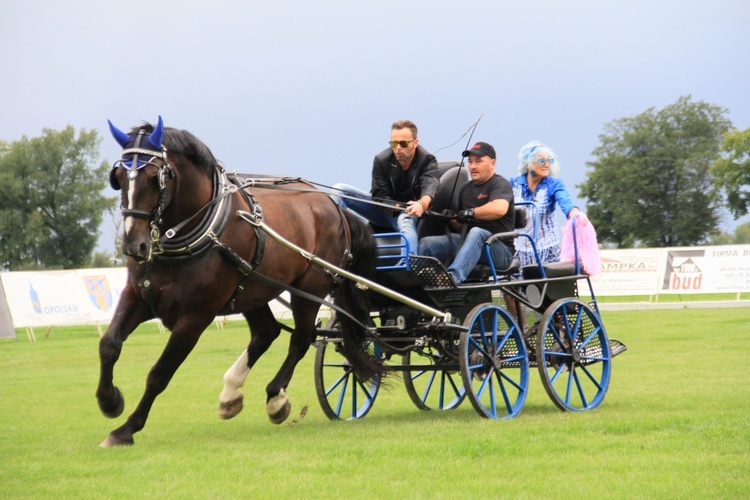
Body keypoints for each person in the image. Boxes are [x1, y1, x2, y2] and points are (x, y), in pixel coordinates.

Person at [331, 120, 440, 255]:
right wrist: (397, 207)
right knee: (340, 189)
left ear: (415, 143)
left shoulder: (427, 160)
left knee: (404, 220)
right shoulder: (381, 160)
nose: (398, 148)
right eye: (394, 143)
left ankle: (411, 261)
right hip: (385, 211)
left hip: (411, 212)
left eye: (403, 143)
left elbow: (430, 184)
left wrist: (421, 205)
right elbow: (379, 195)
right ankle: (332, 239)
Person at [418, 142, 515, 284]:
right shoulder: (465, 189)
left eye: (478, 161)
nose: (473, 166)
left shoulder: (500, 184)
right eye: (470, 162)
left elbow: (499, 209)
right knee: (427, 244)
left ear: (492, 163)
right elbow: (462, 227)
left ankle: (451, 279)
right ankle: (419, 287)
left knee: (477, 233)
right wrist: (451, 219)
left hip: (500, 250)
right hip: (469, 243)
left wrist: (471, 212)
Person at [510, 141, 585, 268]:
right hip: (519, 251)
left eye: (549, 161)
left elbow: (566, 203)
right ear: (528, 163)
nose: (546, 165)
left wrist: (575, 214)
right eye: (541, 161)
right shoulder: (513, 185)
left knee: (544, 286)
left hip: (548, 251)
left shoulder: (553, 184)